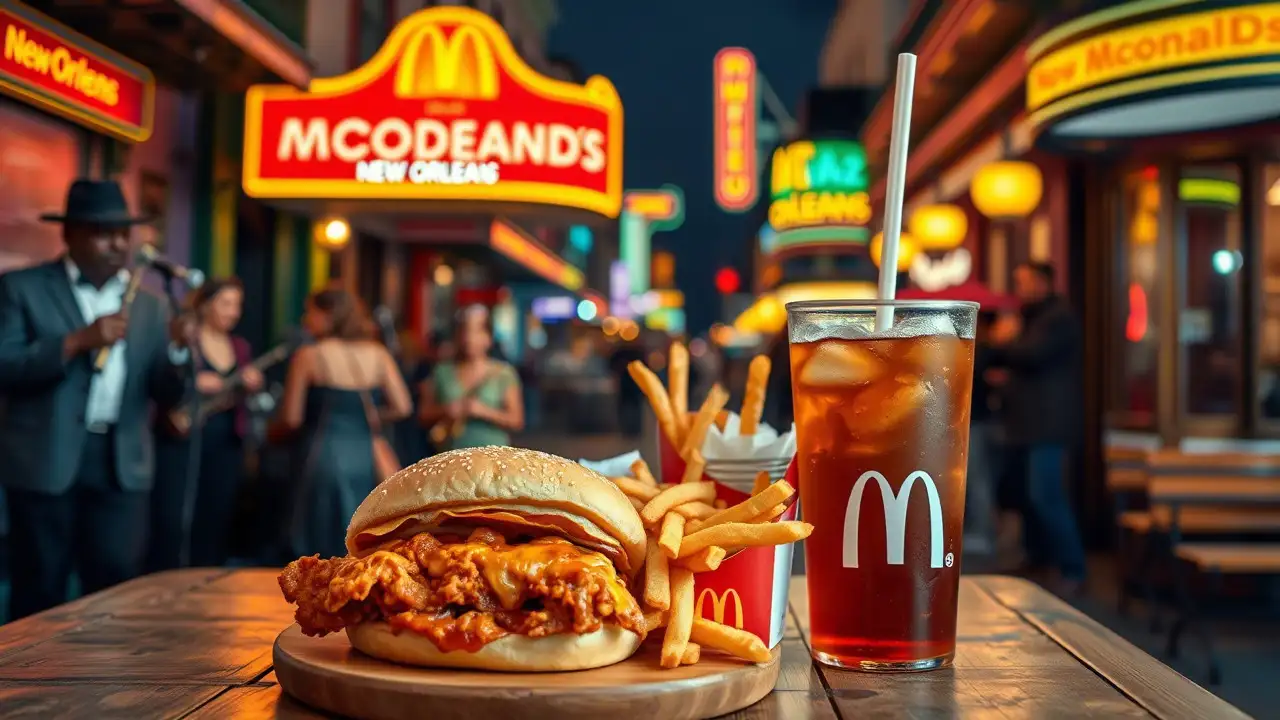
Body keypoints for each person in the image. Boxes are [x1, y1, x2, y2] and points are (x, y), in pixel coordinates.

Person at [0, 179, 192, 619]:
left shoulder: (151, 304)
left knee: (116, 582)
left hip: (120, 463)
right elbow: (6, 366)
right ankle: (31, 684)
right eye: (102, 232)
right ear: (70, 235)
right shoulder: (22, 288)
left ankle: (104, 682)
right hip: (43, 461)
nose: (117, 243)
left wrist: (179, 351)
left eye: (124, 233)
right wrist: (76, 342)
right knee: (40, 584)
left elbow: (166, 394)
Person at [277, 288, 411, 559]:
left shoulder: (309, 355)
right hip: (364, 457)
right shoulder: (377, 353)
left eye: (310, 312)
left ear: (327, 315)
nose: (306, 319)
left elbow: (291, 417)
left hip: (321, 453)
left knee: (316, 543)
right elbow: (403, 406)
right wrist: (370, 415)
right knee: (355, 539)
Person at [147, 278, 263, 571]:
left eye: (238, 305)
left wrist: (250, 384)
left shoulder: (239, 346)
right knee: (174, 517)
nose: (234, 312)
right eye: (226, 303)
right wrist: (195, 381)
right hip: (181, 438)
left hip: (225, 442)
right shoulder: (187, 337)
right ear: (205, 304)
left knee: (216, 514)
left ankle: (206, 580)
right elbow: (160, 377)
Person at [989, 262, 1087, 593]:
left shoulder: (1057, 318)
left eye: (1024, 281)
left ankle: (1073, 568)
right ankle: (1038, 559)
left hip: (1048, 424)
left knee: (1046, 495)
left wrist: (1000, 344)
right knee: (1027, 496)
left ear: (1043, 282)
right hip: (1027, 423)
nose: (1019, 289)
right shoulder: (1033, 317)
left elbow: (1031, 355)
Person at [419, 306, 524, 450]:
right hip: (451, 456)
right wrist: (447, 410)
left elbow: (516, 420)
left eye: (477, 331)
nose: (469, 338)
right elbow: (423, 414)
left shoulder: (503, 373)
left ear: (489, 337)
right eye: (465, 330)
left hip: (492, 456)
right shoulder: (441, 371)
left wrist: (483, 411)